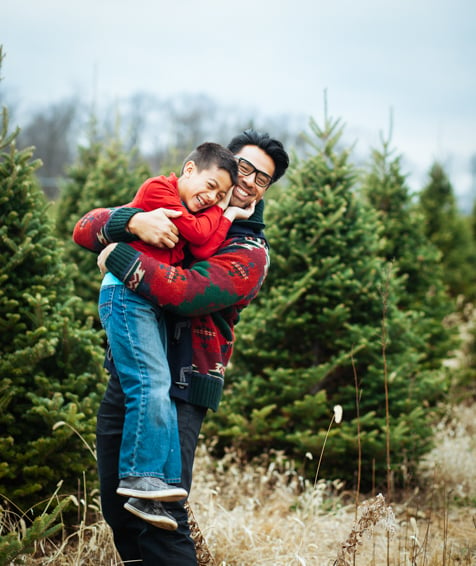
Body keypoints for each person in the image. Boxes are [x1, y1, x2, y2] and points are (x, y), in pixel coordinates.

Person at [73, 129, 289, 565]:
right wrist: (132, 223)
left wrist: (118, 254)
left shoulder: (249, 249)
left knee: (160, 518)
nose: (248, 181)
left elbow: (188, 291)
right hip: (130, 376)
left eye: (261, 179)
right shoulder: (179, 202)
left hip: (182, 386)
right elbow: (86, 225)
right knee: (118, 508)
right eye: (242, 168)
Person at [96, 142, 255, 529]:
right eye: (210, 185)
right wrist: (226, 210)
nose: (212, 196)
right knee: (150, 382)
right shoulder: (159, 190)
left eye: (221, 193)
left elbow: (205, 248)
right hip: (127, 294)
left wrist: (223, 213)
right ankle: (141, 479)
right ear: (188, 169)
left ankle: (151, 487)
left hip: (147, 302)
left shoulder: (251, 250)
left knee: (156, 382)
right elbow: (200, 235)